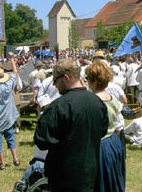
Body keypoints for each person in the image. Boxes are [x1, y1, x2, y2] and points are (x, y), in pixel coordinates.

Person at [34, 59, 109, 191]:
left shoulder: (59, 106)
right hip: (90, 171)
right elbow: (103, 131)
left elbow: (41, 140)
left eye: (55, 80)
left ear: (66, 78)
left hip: (64, 175)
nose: (55, 85)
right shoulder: (97, 102)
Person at [85, 60, 126, 192]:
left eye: (88, 78)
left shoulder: (92, 101)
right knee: (113, 181)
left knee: (101, 183)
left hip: (100, 145)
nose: (86, 81)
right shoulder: (112, 98)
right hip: (113, 142)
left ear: (95, 81)